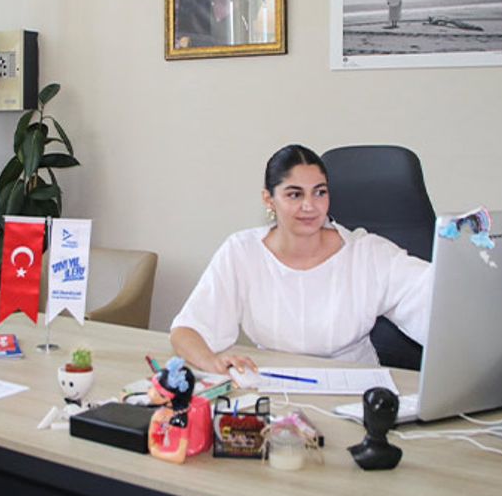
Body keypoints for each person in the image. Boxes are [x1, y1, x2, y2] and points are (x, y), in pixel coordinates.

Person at [169, 145, 432, 375]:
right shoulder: (242, 251)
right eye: (295, 194)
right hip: (273, 388)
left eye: (320, 192)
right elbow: (187, 330)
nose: (310, 206)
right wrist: (213, 363)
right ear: (269, 199)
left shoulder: (366, 253)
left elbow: (437, 299)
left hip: (356, 392)